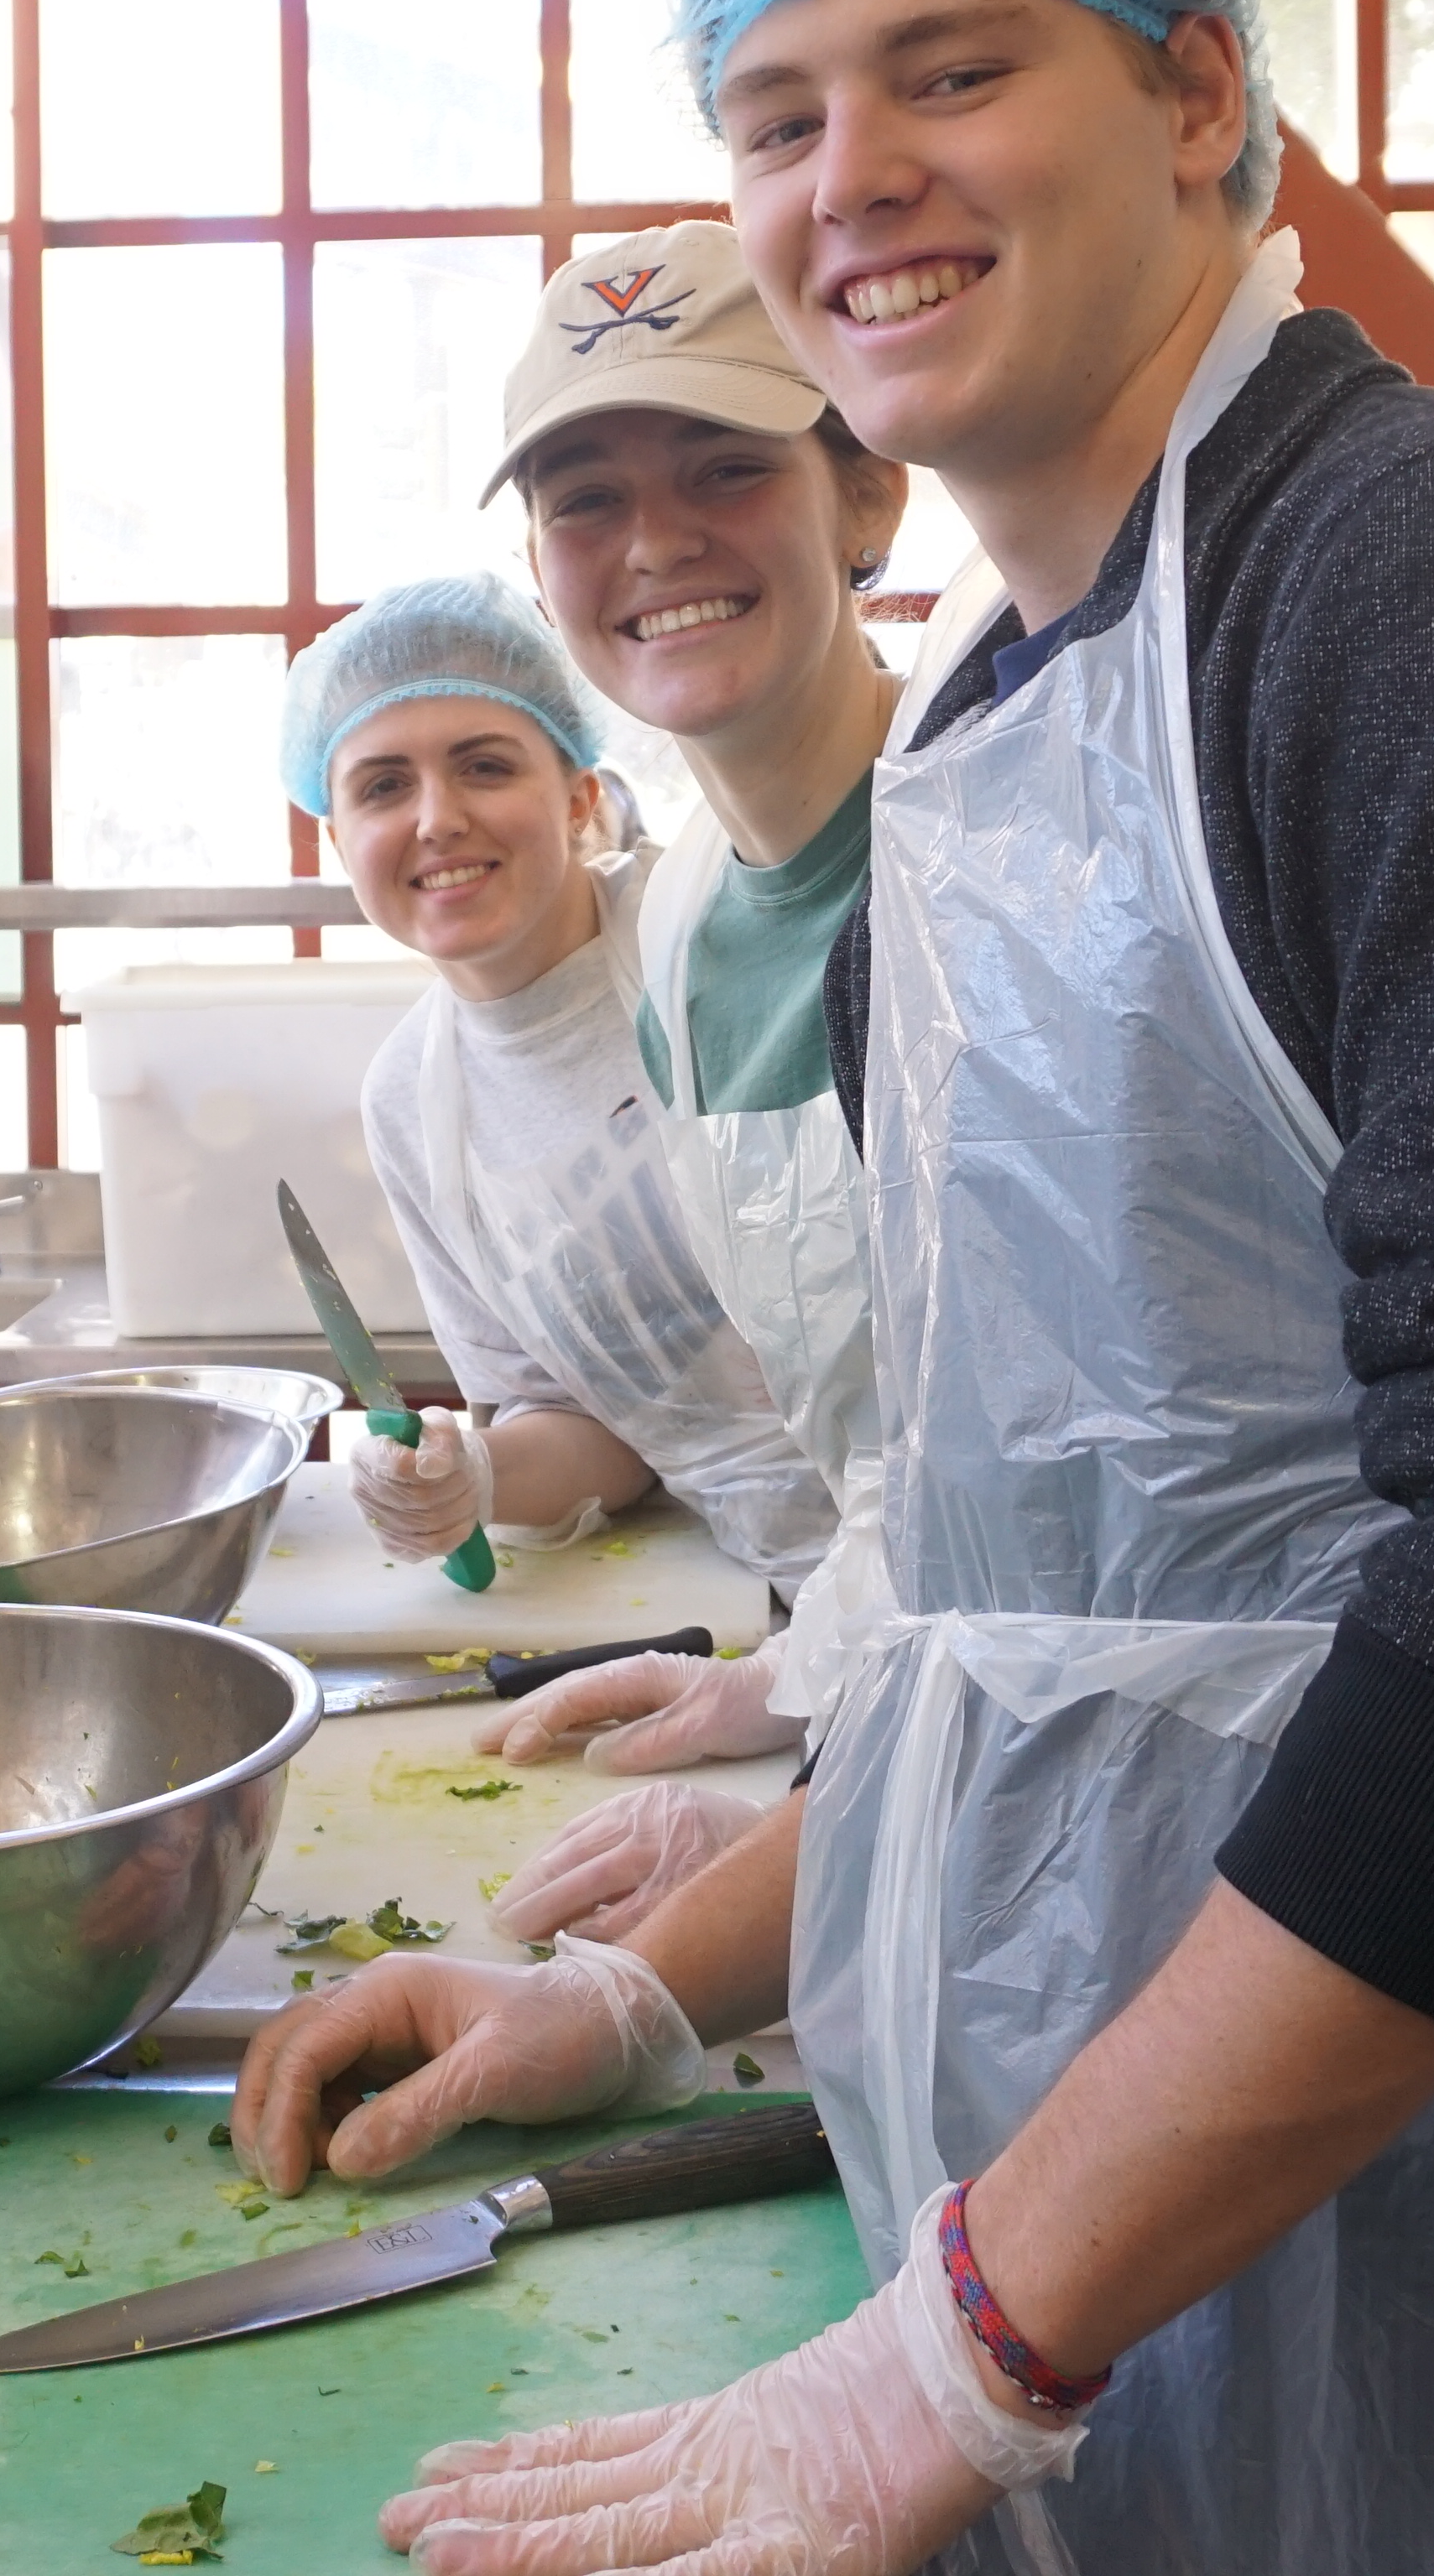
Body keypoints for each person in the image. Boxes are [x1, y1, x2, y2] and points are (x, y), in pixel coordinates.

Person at [232, 0, 1434, 2576]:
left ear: (1202, 101)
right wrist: (640, 1996)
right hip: (1094, 2191)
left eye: (953, 70)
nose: (850, 174)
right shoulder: (1015, 737)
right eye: (777, 114)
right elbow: (1043, 1622)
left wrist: (950, 2360)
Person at [466, 220, 942, 1942]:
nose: (655, 542)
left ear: (867, 495)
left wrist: (766, 1874)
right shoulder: (674, 929)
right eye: (584, 498)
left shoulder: (988, 853)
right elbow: (892, 1459)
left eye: (726, 468)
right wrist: (789, 1687)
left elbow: (1060, 1510)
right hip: (911, 1748)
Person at [279, 580, 832, 1593]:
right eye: (383, 786)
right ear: (338, 837)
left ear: (580, 796)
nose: (437, 820)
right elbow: (602, 1422)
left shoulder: (711, 935)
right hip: (771, 1597)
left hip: (970, 1552)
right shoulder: (412, 1101)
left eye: (485, 766)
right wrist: (472, 1477)